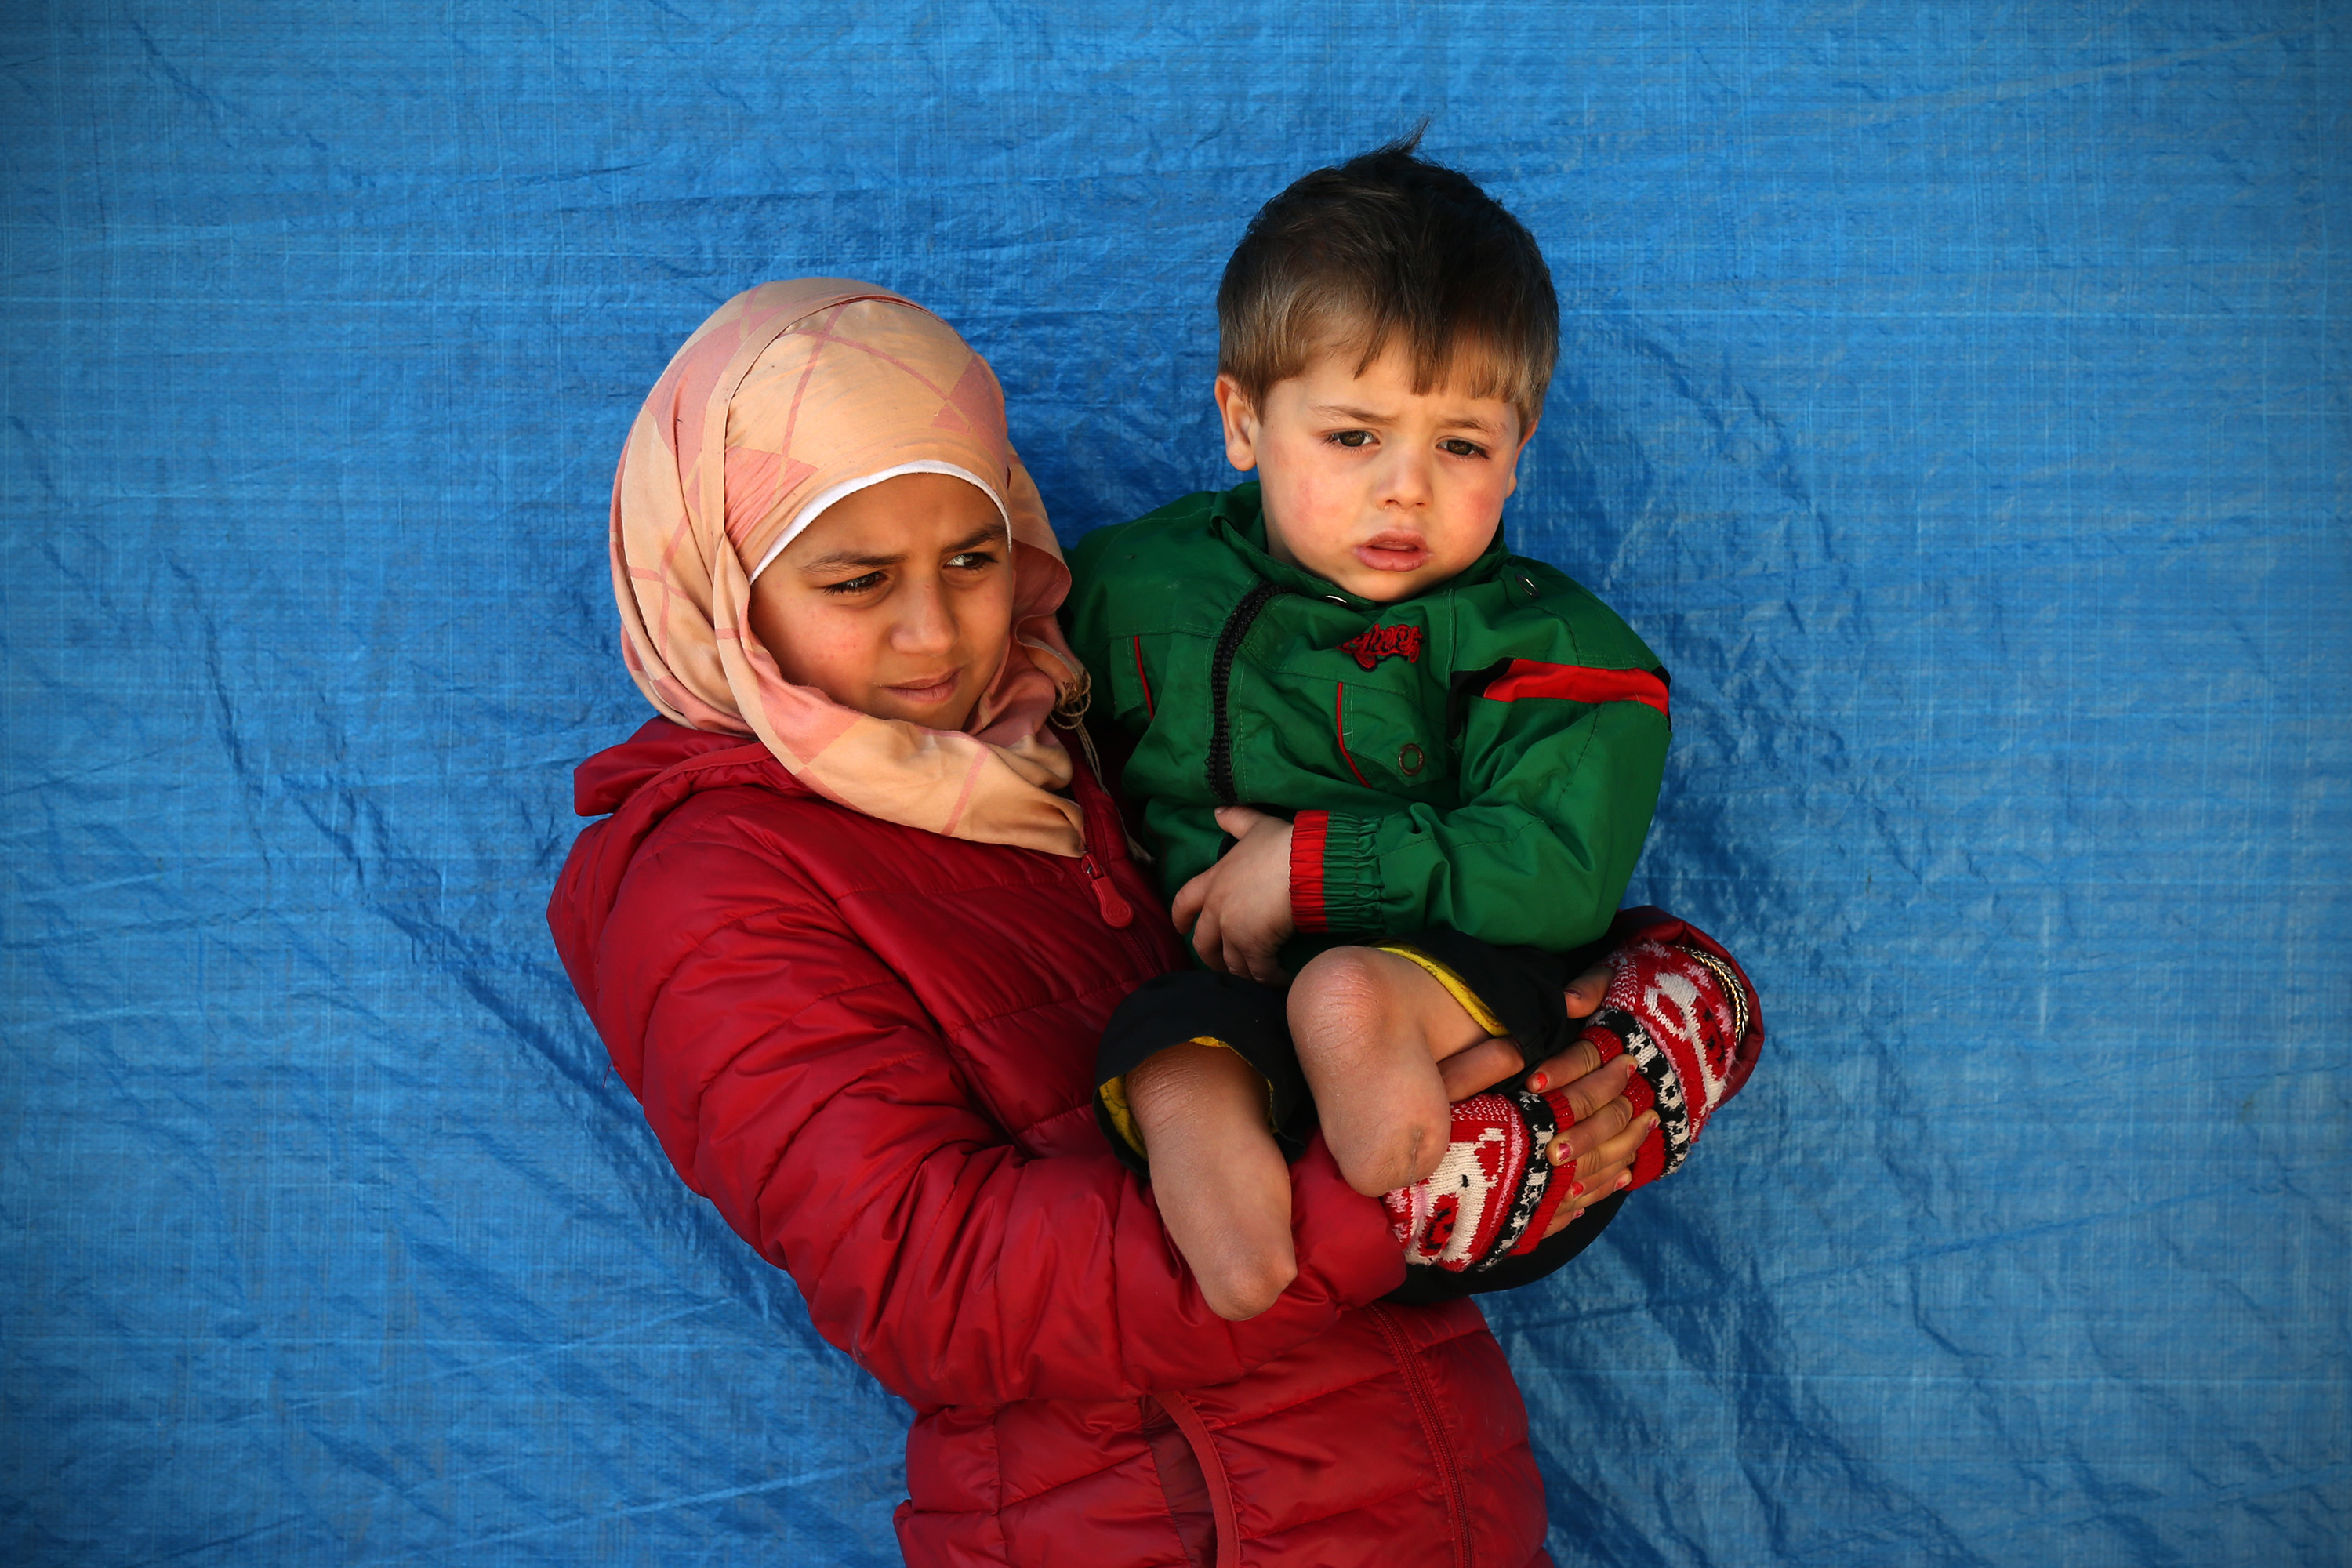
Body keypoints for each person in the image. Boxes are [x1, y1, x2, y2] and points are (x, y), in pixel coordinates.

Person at [550, 278, 1668, 1566]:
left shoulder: (1061, 738)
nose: (935, 632)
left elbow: (1414, 905)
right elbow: (936, 1288)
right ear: (721, 585)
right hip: (1162, 1522)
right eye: (856, 580)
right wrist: (1407, 1192)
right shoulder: (704, 882)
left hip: (1423, 1494)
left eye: (973, 558)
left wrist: (1632, 1005)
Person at [1064, 136, 1765, 1319]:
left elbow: (1558, 871)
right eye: (1354, 437)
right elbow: (1020, 689)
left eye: (1461, 445)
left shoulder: (1559, 650)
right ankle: (1221, 1193)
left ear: (1519, 450)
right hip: (1233, 986)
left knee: (1490, 982)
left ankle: (1363, 1016)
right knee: (1170, 1038)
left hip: (1447, 990)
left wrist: (1312, 869)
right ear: (1243, 420)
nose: (1407, 488)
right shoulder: (1134, 587)